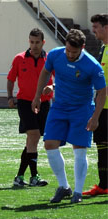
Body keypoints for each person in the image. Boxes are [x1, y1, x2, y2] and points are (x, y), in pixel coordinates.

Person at [32, 29, 106, 203]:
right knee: (49, 144)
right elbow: (45, 72)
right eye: (68, 50)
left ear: (83, 47)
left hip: (82, 109)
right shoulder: (56, 55)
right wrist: (37, 96)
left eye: (74, 52)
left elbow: (102, 92)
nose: (70, 55)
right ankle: (64, 186)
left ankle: (78, 192)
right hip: (59, 107)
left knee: (79, 149)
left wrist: (95, 117)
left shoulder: (92, 65)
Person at [7, 28, 53, 187]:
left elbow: (59, 78)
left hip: (44, 103)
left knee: (33, 141)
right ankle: (34, 176)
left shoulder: (49, 59)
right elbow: (11, 79)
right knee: (33, 136)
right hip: (25, 103)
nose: (34, 45)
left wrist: (53, 86)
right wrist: (10, 97)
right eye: (32, 42)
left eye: (37, 42)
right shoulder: (19, 59)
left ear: (43, 42)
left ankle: (20, 176)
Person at [83, 13, 108, 196]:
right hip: (102, 107)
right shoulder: (102, 48)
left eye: (96, 27)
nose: (93, 30)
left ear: (106, 28)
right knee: (102, 146)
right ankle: (104, 185)